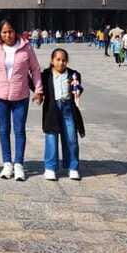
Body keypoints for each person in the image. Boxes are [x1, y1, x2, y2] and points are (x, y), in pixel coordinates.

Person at [0, 19, 43, 182]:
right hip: (0, 96)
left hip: (20, 95)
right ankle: (7, 163)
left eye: (10, 31)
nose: (8, 35)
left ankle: (19, 163)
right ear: (0, 34)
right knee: (3, 130)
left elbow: (35, 69)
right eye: (4, 32)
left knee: (19, 130)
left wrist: (39, 89)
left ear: (16, 31)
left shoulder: (26, 47)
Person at [38, 48, 85, 181]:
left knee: (71, 138)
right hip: (52, 109)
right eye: (58, 60)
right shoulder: (46, 75)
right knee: (51, 138)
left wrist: (78, 90)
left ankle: (72, 167)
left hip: (68, 108)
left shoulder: (74, 74)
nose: (61, 63)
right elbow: (36, 85)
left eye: (64, 60)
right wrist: (38, 94)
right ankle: (50, 167)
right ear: (52, 61)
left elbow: (77, 88)